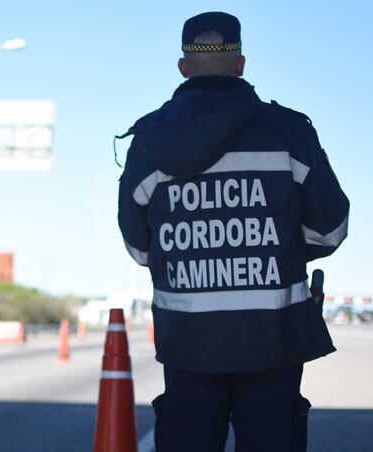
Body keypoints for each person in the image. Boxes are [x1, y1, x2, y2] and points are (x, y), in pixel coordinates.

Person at [117, 12, 349, 452]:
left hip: (187, 339)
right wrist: (276, 248)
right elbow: (331, 230)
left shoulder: (150, 141)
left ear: (183, 67)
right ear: (241, 64)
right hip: (273, 336)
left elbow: (138, 245)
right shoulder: (289, 131)